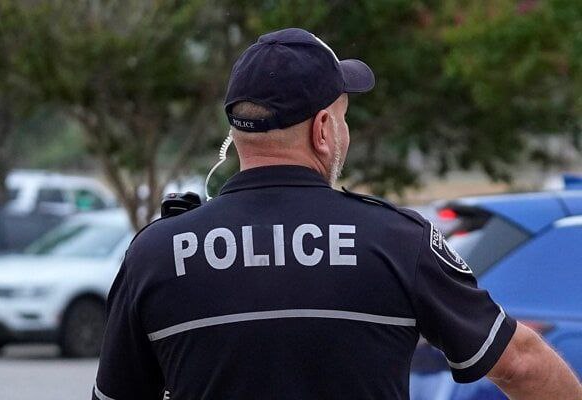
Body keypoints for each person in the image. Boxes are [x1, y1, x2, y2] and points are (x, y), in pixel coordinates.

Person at [93, 28, 582, 400]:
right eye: (344, 116)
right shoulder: (396, 240)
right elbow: (521, 364)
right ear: (323, 129)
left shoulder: (154, 255)